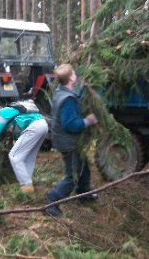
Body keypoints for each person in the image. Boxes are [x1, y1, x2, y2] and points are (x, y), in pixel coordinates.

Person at [45, 64, 98, 217]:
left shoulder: (62, 92)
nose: (76, 74)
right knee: (72, 175)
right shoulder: (67, 99)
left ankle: (83, 192)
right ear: (71, 78)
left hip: (64, 139)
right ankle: (52, 201)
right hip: (68, 142)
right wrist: (87, 121)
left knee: (84, 166)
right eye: (74, 72)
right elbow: (70, 124)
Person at [0, 100, 48, 194]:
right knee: (28, 157)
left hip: (34, 127)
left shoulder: (2, 113)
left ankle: (26, 186)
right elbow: (20, 125)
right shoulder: (14, 111)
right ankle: (29, 182)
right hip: (43, 124)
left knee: (14, 156)